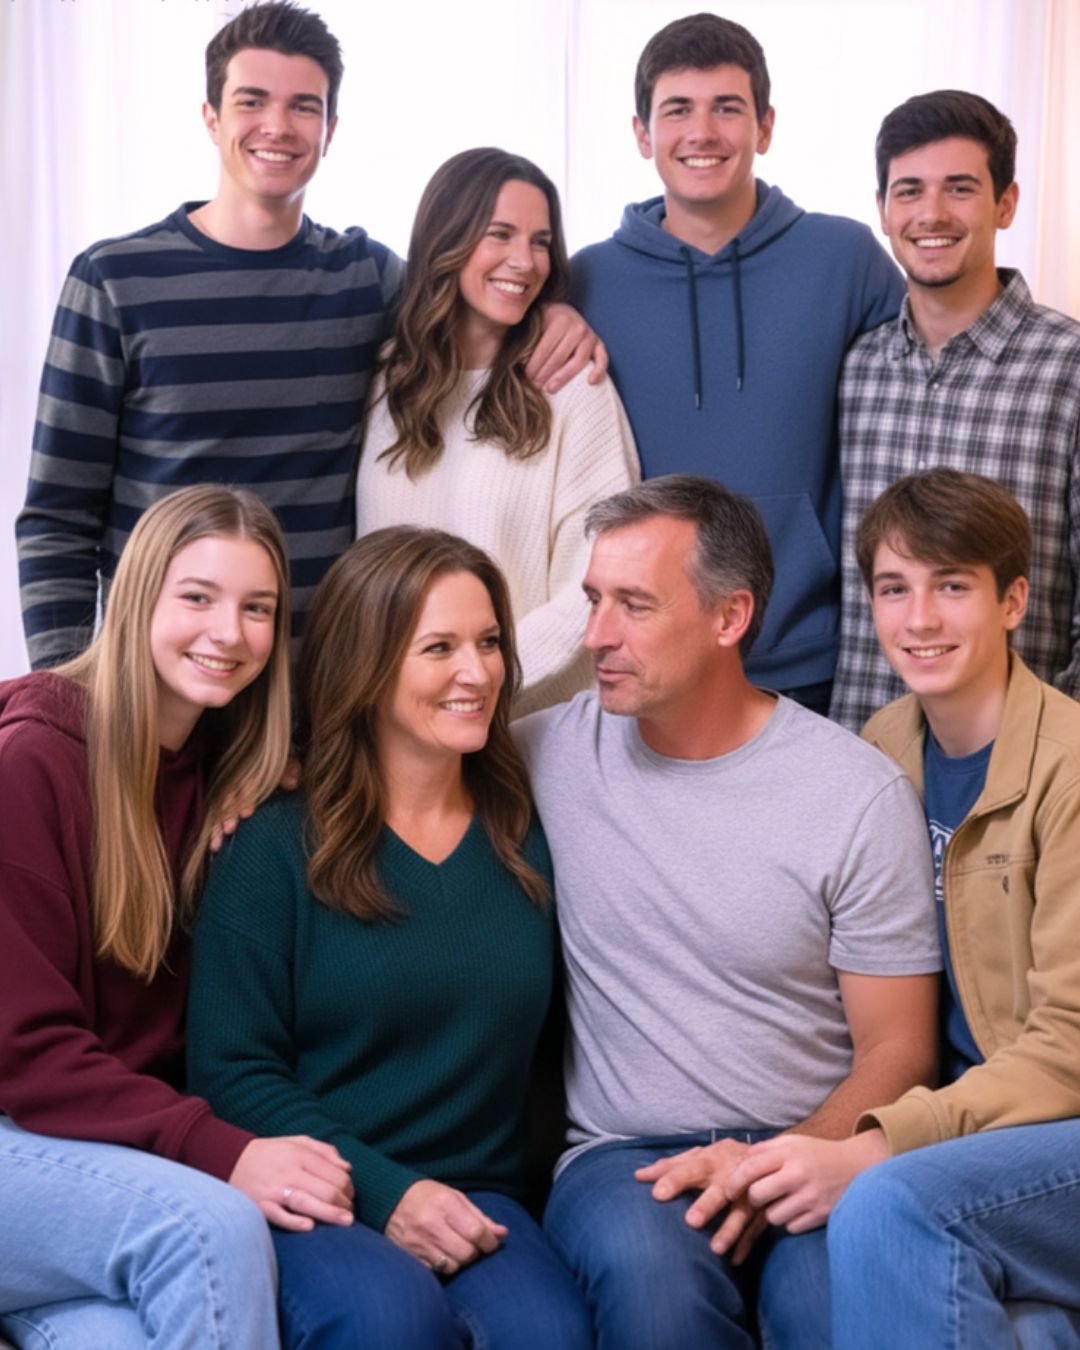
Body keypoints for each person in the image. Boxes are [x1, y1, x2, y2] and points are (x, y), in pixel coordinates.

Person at [16, 2, 602, 670]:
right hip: (158, 683)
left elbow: (466, 303)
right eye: (252, 101)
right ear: (211, 118)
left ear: (330, 130)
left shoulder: (365, 278)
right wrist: (61, 691)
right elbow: (59, 518)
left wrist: (552, 311)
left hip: (316, 690)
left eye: (303, 106)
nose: (277, 126)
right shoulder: (115, 281)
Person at [513, 475, 941, 1349]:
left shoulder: (856, 793)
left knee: (830, 1307)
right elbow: (391, 752)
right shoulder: (543, 751)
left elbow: (900, 1048)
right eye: (595, 600)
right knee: (657, 1297)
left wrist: (781, 1158)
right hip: (623, 1157)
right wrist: (265, 781)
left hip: (815, 1146)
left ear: (729, 617)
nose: (596, 636)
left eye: (634, 605)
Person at [187, 527, 592, 1350]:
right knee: (388, 1322)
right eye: (439, 648)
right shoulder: (271, 844)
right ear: (364, 668)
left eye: (489, 643)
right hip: (318, 1192)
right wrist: (386, 1192)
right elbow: (230, 1070)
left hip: (481, 1194)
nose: (477, 672)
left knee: (549, 1334)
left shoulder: (530, 830)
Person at [0, 485, 357, 1349]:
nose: (228, 633)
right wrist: (222, 1149)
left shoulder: (228, 776)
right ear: (136, 598)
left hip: (95, 1158)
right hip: (19, 1128)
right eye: (198, 597)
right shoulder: (32, 761)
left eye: (257, 608)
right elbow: (25, 1052)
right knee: (212, 1231)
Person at [728, 470, 1080, 1347]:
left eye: (952, 586)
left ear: (1013, 601)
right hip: (970, 1133)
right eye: (894, 589)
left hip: (1057, 1121)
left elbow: (1069, 1049)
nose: (919, 619)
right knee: (1029, 1334)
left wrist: (876, 1145)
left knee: (888, 1205)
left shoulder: (1069, 770)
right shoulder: (880, 753)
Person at [571, 14, 904, 712]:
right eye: (677, 110)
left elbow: (930, 380)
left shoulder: (844, 259)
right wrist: (548, 310)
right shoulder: (587, 280)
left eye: (727, 107)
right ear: (642, 134)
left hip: (810, 653)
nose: (702, 132)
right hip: (650, 656)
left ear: (765, 126)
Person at [357, 148, 639, 716]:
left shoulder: (572, 387)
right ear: (447, 240)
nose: (525, 261)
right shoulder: (387, 380)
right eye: (500, 235)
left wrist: (477, 679)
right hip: (395, 720)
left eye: (540, 242)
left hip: (529, 722)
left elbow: (599, 576)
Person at [831, 90, 1080, 731]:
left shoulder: (1069, 367)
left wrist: (1058, 746)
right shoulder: (854, 369)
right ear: (883, 211)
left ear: (1006, 203)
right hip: (862, 744)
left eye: (960, 189)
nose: (931, 214)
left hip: (1021, 757)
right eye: (909, 191)